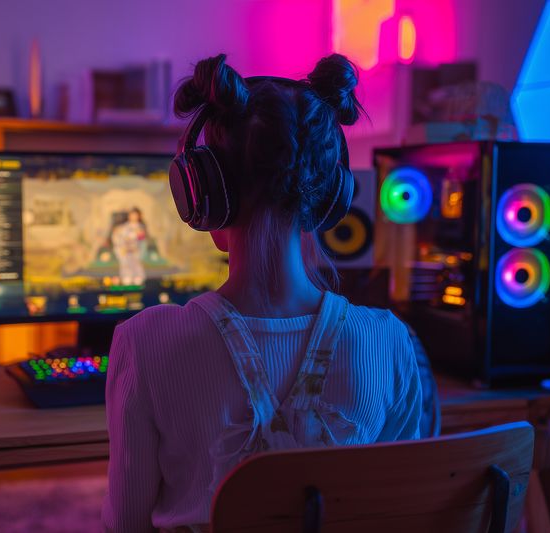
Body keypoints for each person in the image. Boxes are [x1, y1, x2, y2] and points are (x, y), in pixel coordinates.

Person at [102, 53, 423, 532]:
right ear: (329, 198)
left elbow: (126, 526)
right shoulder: (389, 343)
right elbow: (405, 514)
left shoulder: (144, 345)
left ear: (201, 197)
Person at [111, 207, 147, 286]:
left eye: (135, 215)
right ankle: (126, 277)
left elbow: (141, 239)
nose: (133, 217)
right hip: (124, 251)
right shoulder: (123, 227)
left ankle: (137, 277)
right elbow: (117, 237)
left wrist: (135, 236)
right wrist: (121, 246)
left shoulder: (140, 227)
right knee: (125, 266)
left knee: (136, 266)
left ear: (138, 216)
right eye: (132, 215)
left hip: (135, 251)